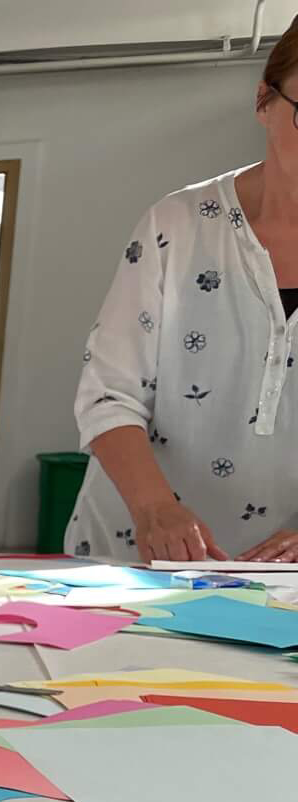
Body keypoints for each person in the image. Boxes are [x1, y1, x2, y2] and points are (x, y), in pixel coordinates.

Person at [69, 20, 298, 564]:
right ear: (263, 101)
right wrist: (155, 507)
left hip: (280, 577)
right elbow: (109, 395)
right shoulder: (177, 226)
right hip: (134, 555)